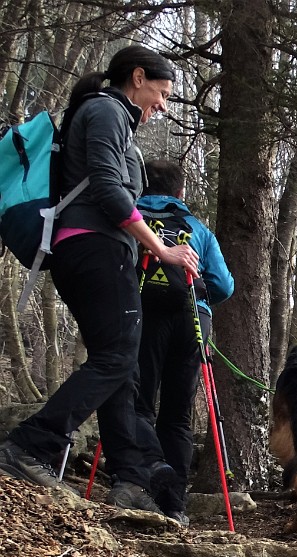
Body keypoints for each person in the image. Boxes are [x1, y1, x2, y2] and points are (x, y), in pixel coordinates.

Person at [0, 45, 199, 516]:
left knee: (122, 366)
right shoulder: (107, 110)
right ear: (137, 77)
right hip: (95, 248)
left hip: (89, 250)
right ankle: (31, 445)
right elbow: (110, 190)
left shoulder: (107, 115)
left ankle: (130, 477)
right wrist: (162, 249)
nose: (164, 104)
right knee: (116, 359)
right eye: (162, 92)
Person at [134, 158, 234, 524]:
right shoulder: (198, 230)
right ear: (180, 193)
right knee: (177, 413)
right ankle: (174, 504)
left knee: (138, 402)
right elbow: (224, 286)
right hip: (193, 316)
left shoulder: (131, 220)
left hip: (142, 312)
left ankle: (133, 482)